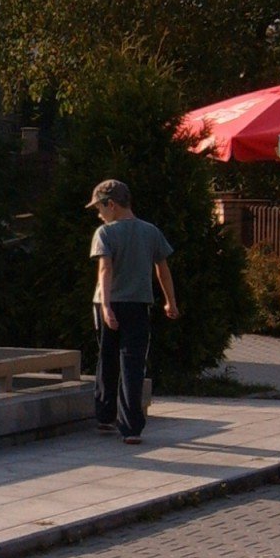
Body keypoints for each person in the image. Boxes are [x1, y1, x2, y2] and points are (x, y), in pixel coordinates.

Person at [86, 180, 178, 445]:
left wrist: (105, 306)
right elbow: (162, 268)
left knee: (107, 357)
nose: (98, 214)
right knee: (133, 363)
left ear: (110, 204)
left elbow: (105, 269)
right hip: (139, 304)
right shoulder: (150, 232)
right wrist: (170, 301)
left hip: (109, 302)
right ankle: (131, 429)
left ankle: (105, 416)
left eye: (99, 208)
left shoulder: (105, 233)